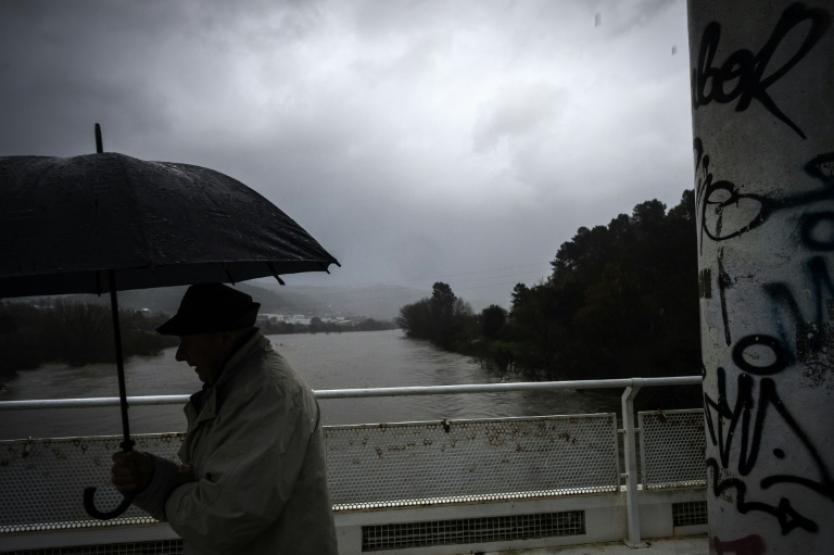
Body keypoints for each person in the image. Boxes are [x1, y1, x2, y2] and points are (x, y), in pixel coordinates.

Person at [111, 283, 337, 554]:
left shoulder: (268, 395)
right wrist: (158, 473)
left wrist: (156, 485)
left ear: (224, 337)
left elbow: (225, 518)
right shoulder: (238, 389)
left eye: (187, 341)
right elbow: (219, 478)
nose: (180, 355)